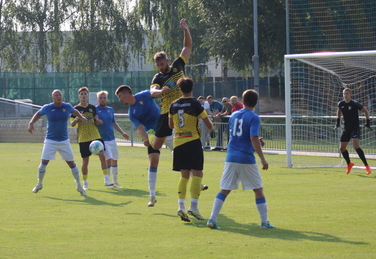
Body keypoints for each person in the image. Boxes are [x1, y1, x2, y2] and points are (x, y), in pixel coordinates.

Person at [207, 89, 275, 230]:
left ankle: (212, 219)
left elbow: (239, 136)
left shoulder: (234, 115)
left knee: (224, 190)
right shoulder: (254, 117)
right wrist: (263, 158)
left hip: (231, 156)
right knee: (258, 189)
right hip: (245, 158)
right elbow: (253, 138)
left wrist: (255, 142)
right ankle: (264, 222)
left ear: (242, 101)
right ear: (256, 103)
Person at [169, 77, 214, 222]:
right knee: (197, 174)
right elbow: (209, 125)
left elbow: (170, 125)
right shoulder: (195, 104)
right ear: (192, 88)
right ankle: (193, 207)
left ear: (180, 89)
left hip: (178, 142)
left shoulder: (173, 104)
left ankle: (181, 207)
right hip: (192, 141)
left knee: (184, 176)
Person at [28, 89, 88, 196]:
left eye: (60, 95)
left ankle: (79, 185)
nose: (59, 96)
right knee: (43, 163)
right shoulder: (48, 107)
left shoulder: (67, 106)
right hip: (50, 140)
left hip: (64, 141)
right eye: (56, 95)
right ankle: (39, 183)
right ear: (53, 98)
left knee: (71, 163)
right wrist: (31, 123)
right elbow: (38, 114)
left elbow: (75, 111)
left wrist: (81, 117)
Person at [149, 18, 192, 151]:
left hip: (183, 107)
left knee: (185, 138)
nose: (160, 67)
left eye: (161, 64)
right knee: (156, 145)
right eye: (158, 65)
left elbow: (187, 47)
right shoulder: (158, 77)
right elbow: (152, 92)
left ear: (167, 61)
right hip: (166, 111)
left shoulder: (177, 65)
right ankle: (150, 135)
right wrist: (162, 91)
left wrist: (186, 30)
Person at [116, 85, 162, 206]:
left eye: (120, 96)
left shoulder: (143, 95)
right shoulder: (131, 112)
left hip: (165, 127)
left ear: (127, 94)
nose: (120, 100)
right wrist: (146, 139)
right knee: (153, 162)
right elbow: (140, 129)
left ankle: (197, 183)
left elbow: (154, 92)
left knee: (181, 155)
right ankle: (152, 196)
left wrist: (162, 90)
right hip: (152, 134)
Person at [71, 87, 111, 190]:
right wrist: (77, 117)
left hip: (95, 135)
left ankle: (106, 180)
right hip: (83, 137)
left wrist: (98, 121)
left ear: (87, 96)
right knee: (85, 161)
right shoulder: (75, 109)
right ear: (79, 96)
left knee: (102, 156)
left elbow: (95, 119)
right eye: (82, 94)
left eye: (85, 94)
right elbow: (72, 124)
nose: (83, 96)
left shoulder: (92, 108)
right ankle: (85, 183)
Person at [96, 91, 130, 189]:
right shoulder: (95, 110)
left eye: (104, 98)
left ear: (107, 99)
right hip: (103, 139)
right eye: (100, 98)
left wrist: (122, 133)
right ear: (97, 99)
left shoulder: (110, 109)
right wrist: (97, 121)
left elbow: (114, 123)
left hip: (112, 139)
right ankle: (107, 180)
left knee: (115, 159)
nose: (102, 99)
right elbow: (93, 122)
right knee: (109, 159)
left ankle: (115, 182)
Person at [335, 87, 372, 175]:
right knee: (342, 148)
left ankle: (367, 166)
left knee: (356, 147)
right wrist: (337, 122)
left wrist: (367, 123)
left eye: (347, 93)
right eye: (344, 94)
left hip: (355, 128)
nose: (346, 95)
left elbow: (365, 111)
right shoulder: (341, 104)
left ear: (350, 95)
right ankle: (349, 164)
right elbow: (339, 111)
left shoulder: (355, 104)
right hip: (346, 128)